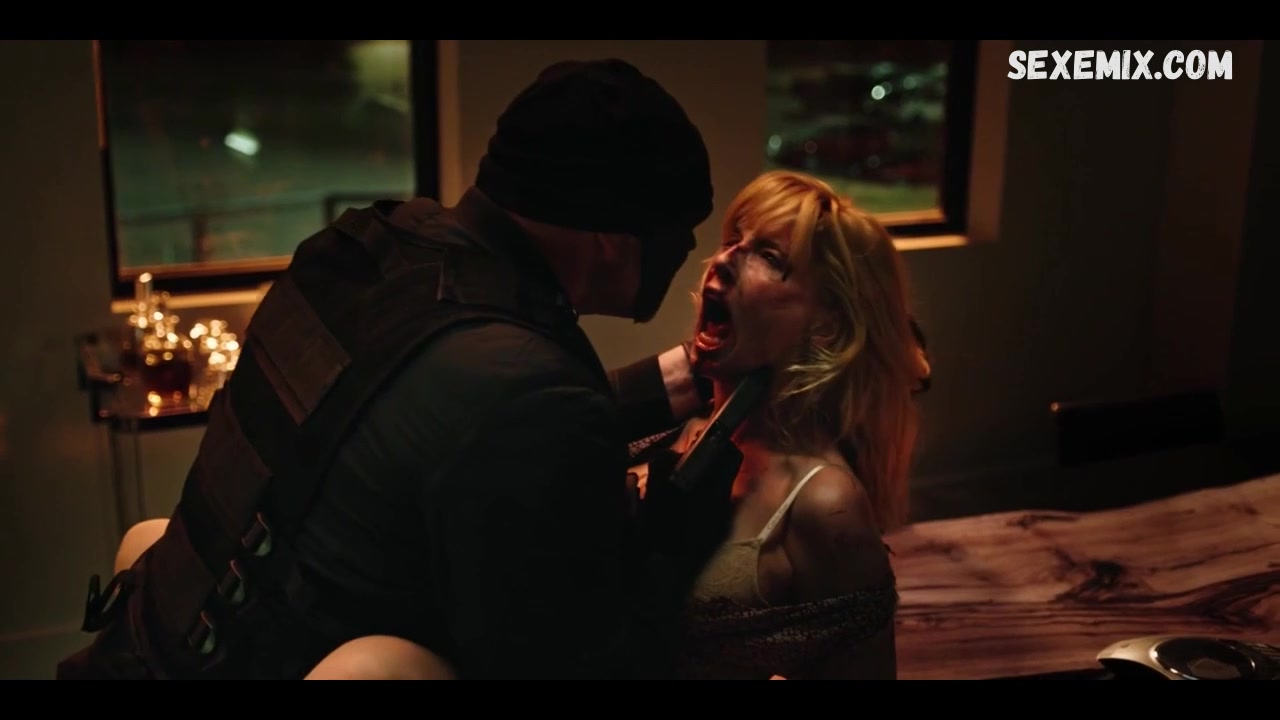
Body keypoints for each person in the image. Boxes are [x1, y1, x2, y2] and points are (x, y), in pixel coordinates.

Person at [56, 58, 737, 680]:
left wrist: (682, 376)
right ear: (613, 241)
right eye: (684, 231)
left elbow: (452, 431)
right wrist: (671, 542)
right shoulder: (530, 392)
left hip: (143, 647)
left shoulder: (359, 252)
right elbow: (567, 659)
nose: (705, 255)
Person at [629, 169, 933, 680]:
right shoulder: (674, 428)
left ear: (826, 322)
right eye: (733, 240)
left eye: (769, 258)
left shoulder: (823, 502)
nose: (723, 259)